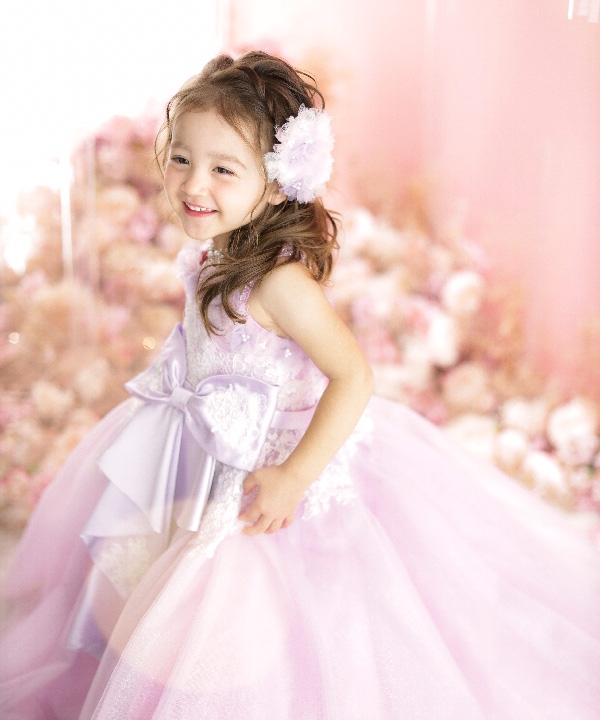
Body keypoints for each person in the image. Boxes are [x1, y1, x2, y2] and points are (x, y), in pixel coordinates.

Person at [1, 50, 599, 720]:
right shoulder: (213, 254)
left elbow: (354, 374)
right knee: (158, 606)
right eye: (181, 158)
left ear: (276, 184)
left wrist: (293, 476)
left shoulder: (280, 283)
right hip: (214, 458)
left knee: (258, 628)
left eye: (223, 169)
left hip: (280, 472)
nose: (193, 183)